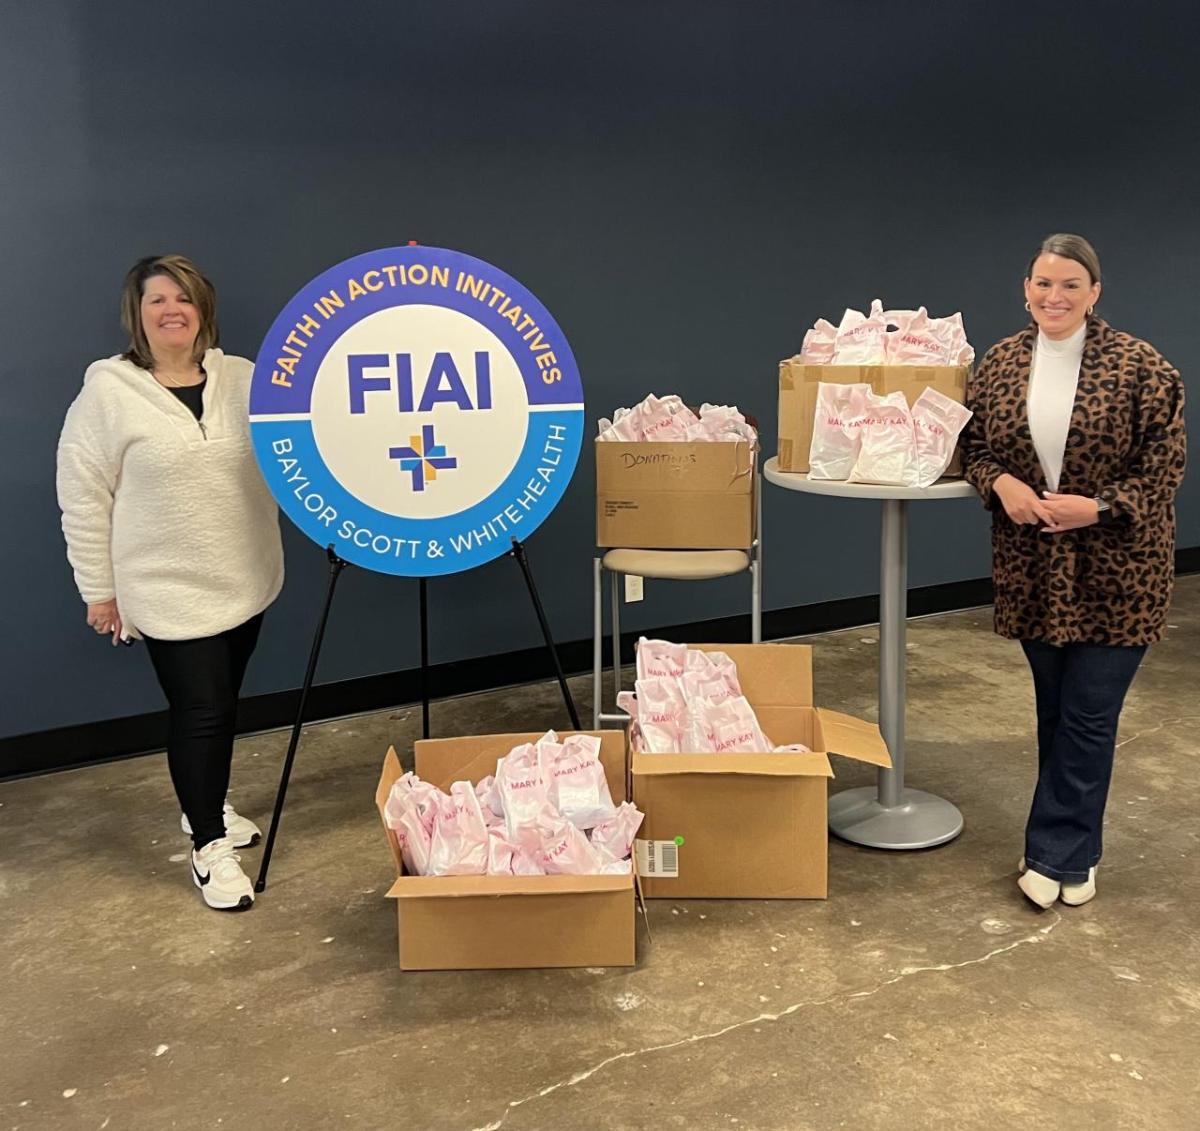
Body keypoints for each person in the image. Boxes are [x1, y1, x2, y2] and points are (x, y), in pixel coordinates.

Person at [962, 233, 1186, 909]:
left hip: (1120, 571)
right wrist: (998, 481)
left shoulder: (1145, 368)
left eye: (1069, 285)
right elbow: (971, 445)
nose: (1053, 296)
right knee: (1057, 712)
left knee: (1090, 714)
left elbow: (1163, 471)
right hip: (1035, 569)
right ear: (1024, 287)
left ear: (1094, 293)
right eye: (1042, 283)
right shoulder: (1000, 364)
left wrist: (1099, 506)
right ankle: (1078, 849)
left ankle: (1053, 849)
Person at [57, 254, 284, 912]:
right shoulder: (107, 392)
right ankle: (209, 847)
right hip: (165, 587)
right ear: (138, 315)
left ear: (202, 308)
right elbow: (83, 495)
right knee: (203, 709)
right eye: (156, 299)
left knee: (225, 701)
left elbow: (314, 408)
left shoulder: (241, 378)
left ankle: (203, 804)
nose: (170, 309)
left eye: (182, 297)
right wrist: (99, 590)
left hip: (244, 573)